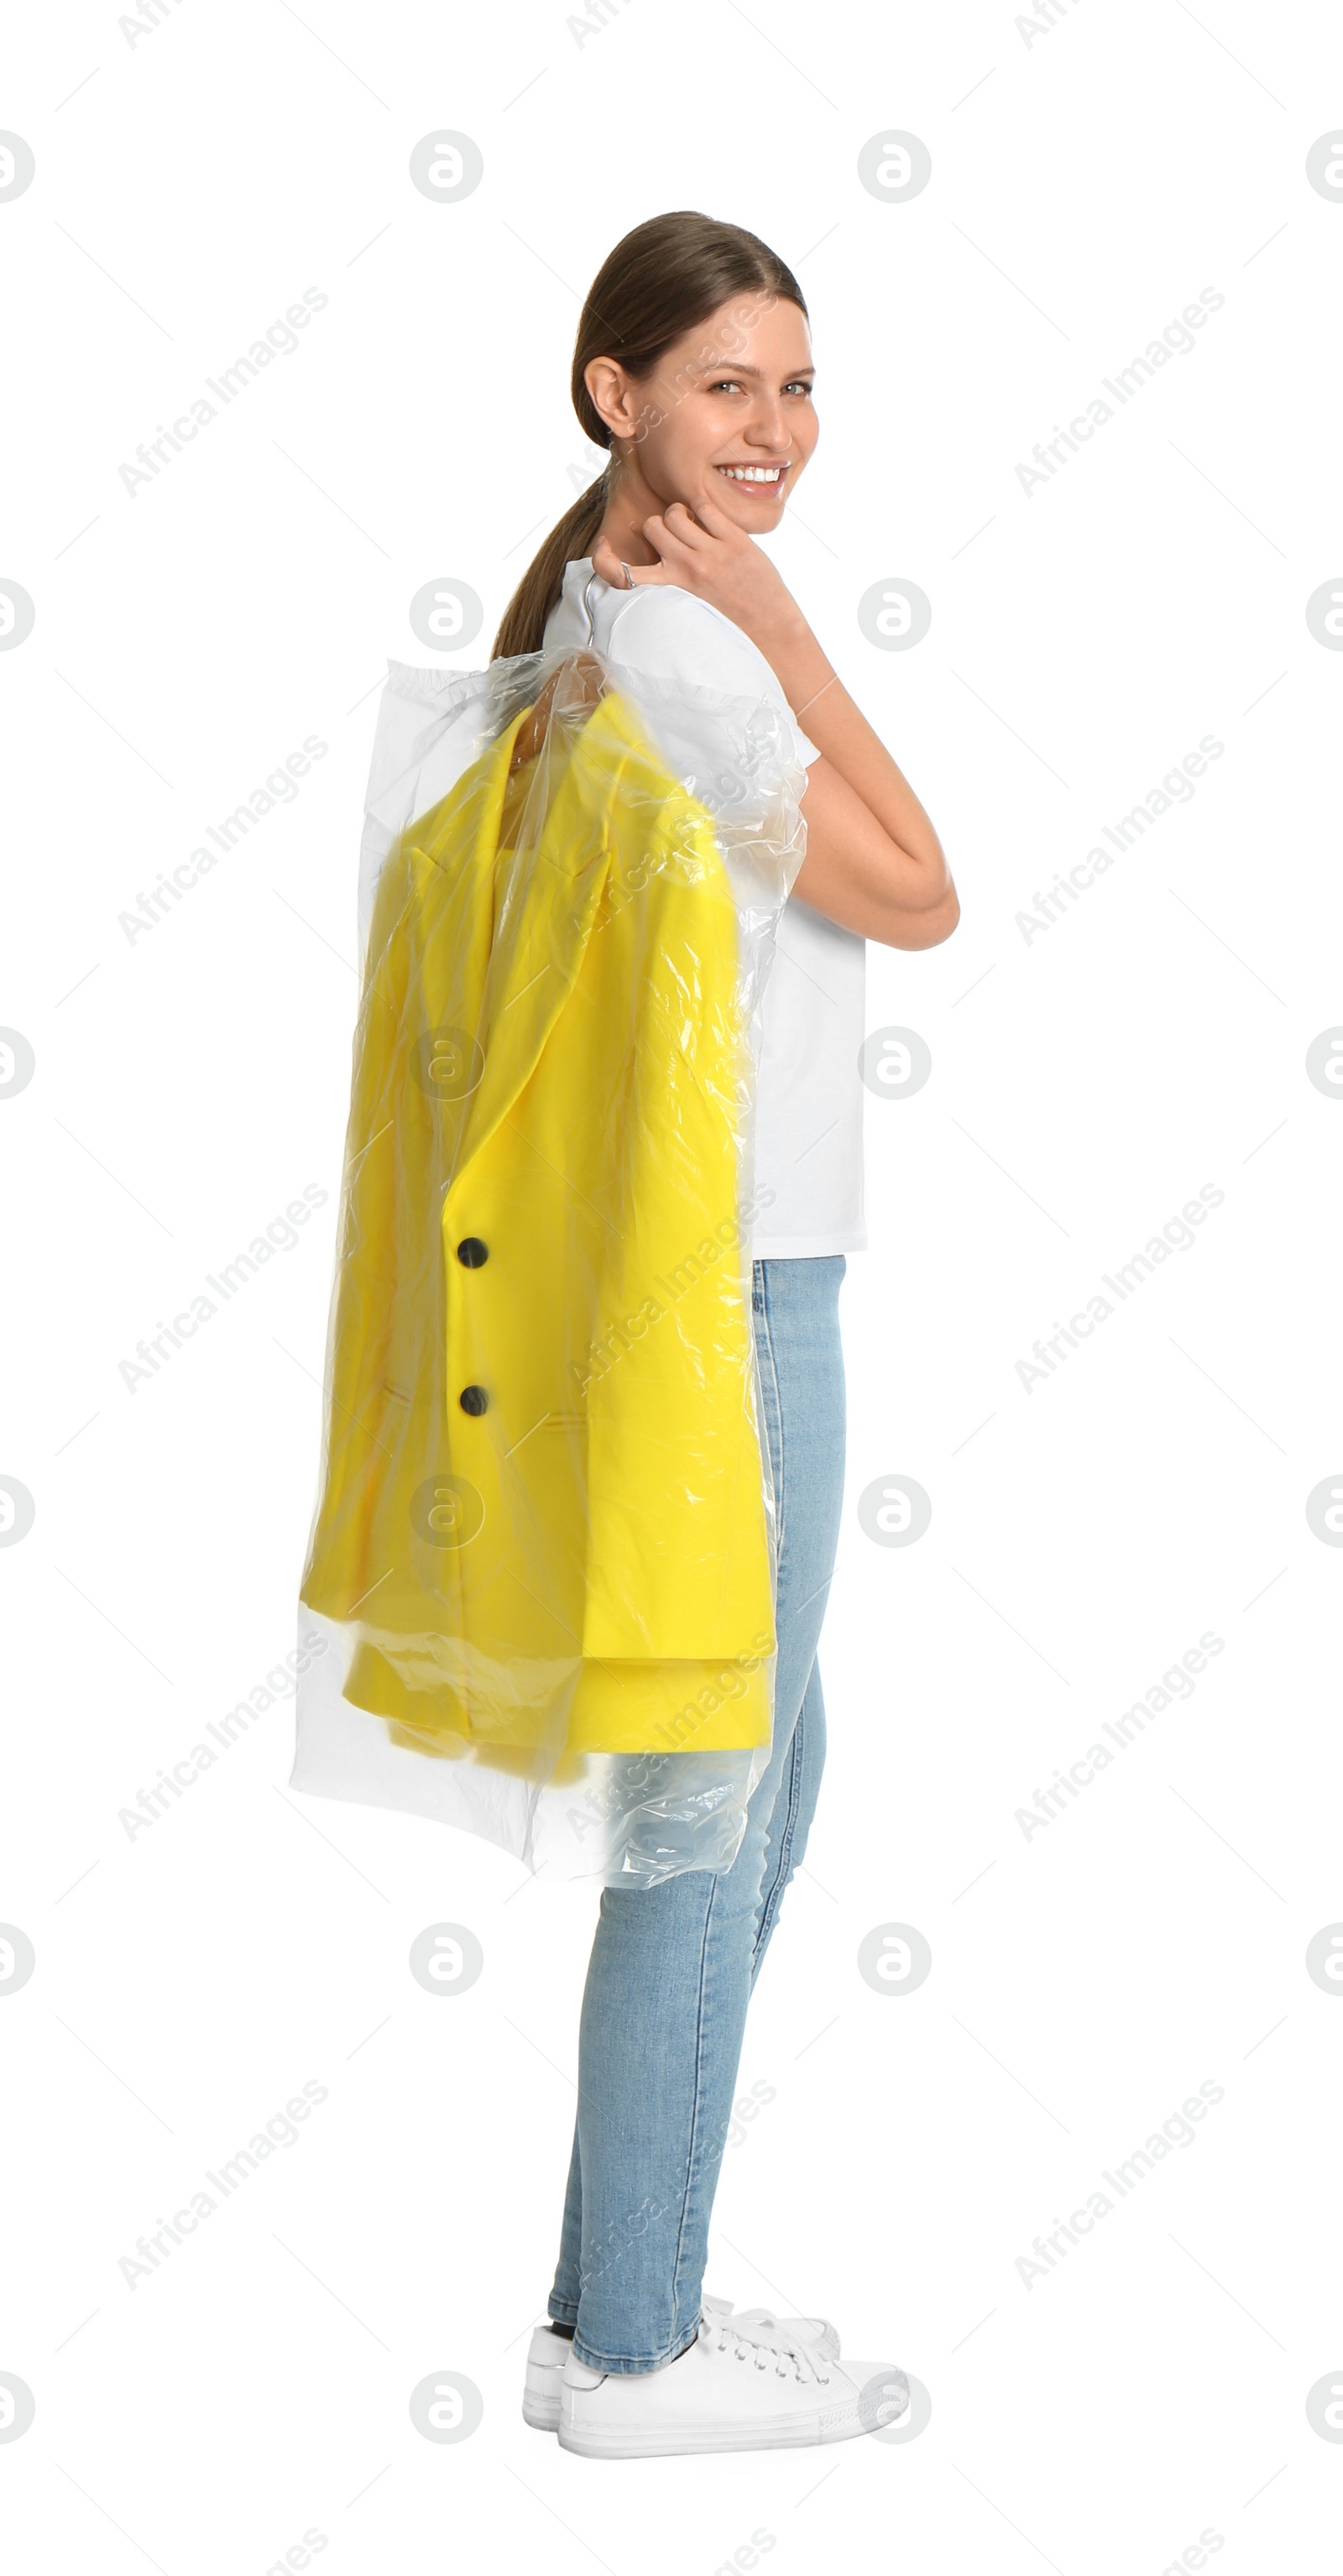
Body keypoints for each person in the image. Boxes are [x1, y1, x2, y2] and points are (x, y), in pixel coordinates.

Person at [495, 210, 959, 2458]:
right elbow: (926, 888)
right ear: (619, 398)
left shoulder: (613, 622)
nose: (772, 430)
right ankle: (642, 2359)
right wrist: (780, 616)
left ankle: (613, 2296)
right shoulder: (688, 653)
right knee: (713, 1805)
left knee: (762, 1787)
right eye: (725, 388)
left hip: (715, 1278)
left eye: (794, 384)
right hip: (726, 1290)